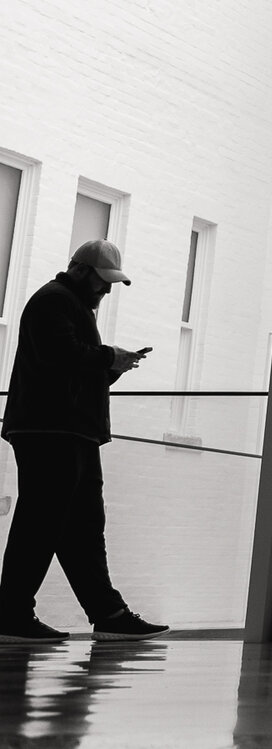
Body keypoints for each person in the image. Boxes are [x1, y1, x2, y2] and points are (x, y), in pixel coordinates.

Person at [0, 240, 165, 643]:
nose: (106, 291)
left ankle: (105, 612)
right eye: (103, 281)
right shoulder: (54, 301)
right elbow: (63, 356)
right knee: (46, 523)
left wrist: (114, 365)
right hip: (54, 431)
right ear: (79, 270)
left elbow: (69, 367)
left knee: (76, 525)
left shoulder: (63, 303)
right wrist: (109, 357)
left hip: (66, 431)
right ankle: (13, 614)